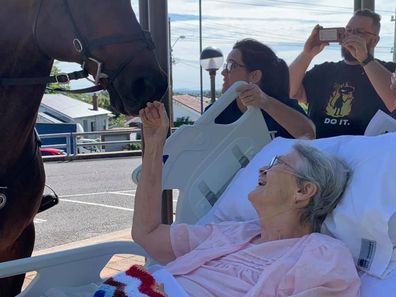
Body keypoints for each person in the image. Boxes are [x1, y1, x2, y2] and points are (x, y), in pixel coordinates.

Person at [130, 101, 360, 297]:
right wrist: (154, 144)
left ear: (303, 191)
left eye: (276, 164)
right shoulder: (233, 234)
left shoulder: (323, 256)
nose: (262, 170)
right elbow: (147, 233)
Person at [289, 9, 396, 138]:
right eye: (348, 30)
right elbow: (290, 91)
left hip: (365, 153)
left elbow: (393, 100)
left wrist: (365, 59)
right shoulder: (323, 70)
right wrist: (307, 54)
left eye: (359, 32)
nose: (350, 36)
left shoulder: (389, 70)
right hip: (320, 153)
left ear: (374, 41)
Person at [206, 38, 316, 139]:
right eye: (226, 66)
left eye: (232, 66)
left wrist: (266, 102)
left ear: (254, 76)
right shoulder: (216, 113)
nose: (223, 72)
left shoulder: (282, 108)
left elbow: (309, 135)